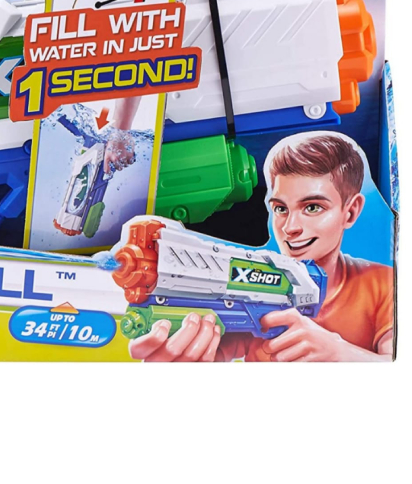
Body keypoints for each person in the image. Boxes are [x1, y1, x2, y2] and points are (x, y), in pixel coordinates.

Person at [129, 131, 394, 362]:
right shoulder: (253, 285)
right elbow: (208, 355)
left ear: (351, 211)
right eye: (280, 208)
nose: (290, 227)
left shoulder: (382, 284)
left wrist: (339, 353)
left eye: (313, 207)